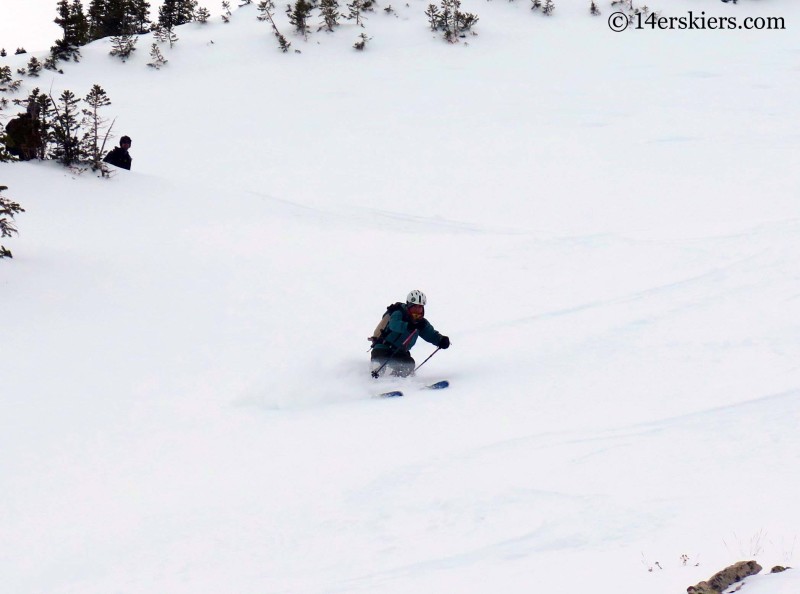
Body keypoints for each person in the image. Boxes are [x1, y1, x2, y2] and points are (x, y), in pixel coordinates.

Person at [369, 290, 450, 377]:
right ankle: (373, 385)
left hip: (399, 353)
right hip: (382, 349)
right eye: (415, 306)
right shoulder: (399, 313)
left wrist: (441, 340)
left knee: (409, 365)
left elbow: (431, 335)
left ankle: (394, 383)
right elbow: (394, 325)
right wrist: (408, 326)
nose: (418, 310)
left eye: (420, 307)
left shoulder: (421, 323)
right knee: (378, 367)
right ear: (409, 306)